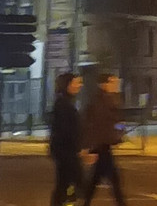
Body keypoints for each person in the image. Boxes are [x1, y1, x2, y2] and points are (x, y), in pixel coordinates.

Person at [82, 74, 127, 206]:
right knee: (114, 180)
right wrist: (90, 148)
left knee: (96, 180)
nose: (115, 85)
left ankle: (85, 203)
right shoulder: (101, 102)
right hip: (101, 146)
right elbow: (96, 126)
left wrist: (119, 131)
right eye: (112, 82)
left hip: (102, 145)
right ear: (104, 84)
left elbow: (115, 122)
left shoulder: (107, 99)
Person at [49, 73, 86, 206]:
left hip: (65, 150)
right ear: (67, 85)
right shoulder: (63, 104)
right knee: (74, 183)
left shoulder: (66, 102)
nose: (79, 85)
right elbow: (66, 130)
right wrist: (78, 149)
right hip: (66, 151)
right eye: (76, 83)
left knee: (64, 184)